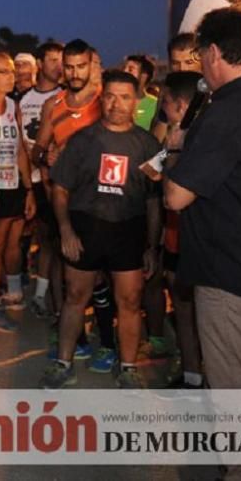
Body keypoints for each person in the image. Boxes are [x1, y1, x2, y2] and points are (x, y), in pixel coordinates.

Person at [164, 8, 241, 476]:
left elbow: (176, 197)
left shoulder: (227, 110)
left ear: (212, 54)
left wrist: (175, 150)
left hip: (232, 276)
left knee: (234, 400)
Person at [40, 70, 161, 389]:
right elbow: (60, 189)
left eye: (123, 97)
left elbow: (153, 201)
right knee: (76, 296)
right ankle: (63, 363)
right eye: (109, 96)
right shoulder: (82, 140)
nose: (115, 103)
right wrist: (66, 230)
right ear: (101, 98)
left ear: (135, 101)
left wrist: (152, 245)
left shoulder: (148, 145)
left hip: (128, 231)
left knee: (130, 301)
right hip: (86, 228)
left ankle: (129, 367)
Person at [156, 71, 204, 388]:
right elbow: (150, 173)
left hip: (198, 244)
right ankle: (191, 377)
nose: (163, 110)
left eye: (167, 103)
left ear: (182, 105)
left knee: (204, 317)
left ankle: (210, 378)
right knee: (183, 310)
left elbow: (173, 195)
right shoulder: (175, 134)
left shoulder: (203, 139)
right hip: (174, 239)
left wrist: (173, 153)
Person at [0, 53, 35, 330]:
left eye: (11, 71)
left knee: (9, 243)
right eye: (2, 72)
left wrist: (29, 189)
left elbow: (21, 151)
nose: (10, 76)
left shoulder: (14, 105)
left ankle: (0, 296)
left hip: (13, 183)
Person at [18, 41, 63, 317]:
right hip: (31, 178)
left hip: (54, 178)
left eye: (62, 61)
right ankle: (29, 290)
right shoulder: (24, 99)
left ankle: (43, 295)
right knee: (32, 236)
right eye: (53, 60)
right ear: (39, 63)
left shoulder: (64, 96)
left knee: (52, 239)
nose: (58, 66)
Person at [123, 54, 158, 131]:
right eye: (124, 68)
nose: (124, 72)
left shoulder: (155, 104)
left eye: (130, 69)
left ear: (143, 76)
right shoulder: (115, 102)